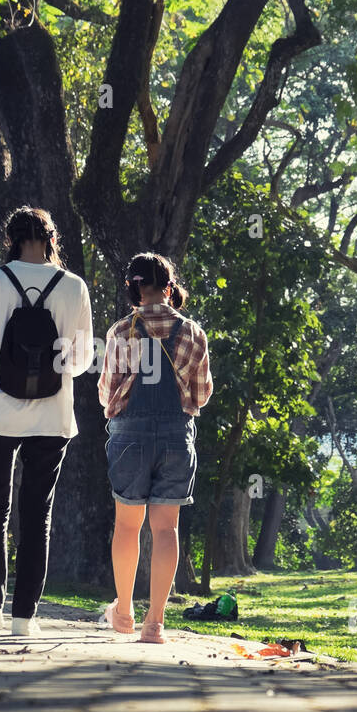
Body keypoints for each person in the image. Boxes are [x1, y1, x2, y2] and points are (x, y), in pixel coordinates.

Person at [0, 207, 93, 635]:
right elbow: (81, 360)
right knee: (37, 513)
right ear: (51, 238)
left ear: (11, 238)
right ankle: (24, 619)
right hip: (53, 414)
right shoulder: (74, 286)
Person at [97, 252, 212, 644]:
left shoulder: (120, 331)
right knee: (166, 529)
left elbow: (108, 392)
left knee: (128, 526)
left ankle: (124, 612)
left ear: (134, 288)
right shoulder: (193, 332)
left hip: (129, 434)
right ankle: (155, 623)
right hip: (176, 436)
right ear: (168, 286)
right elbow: (202, 394)